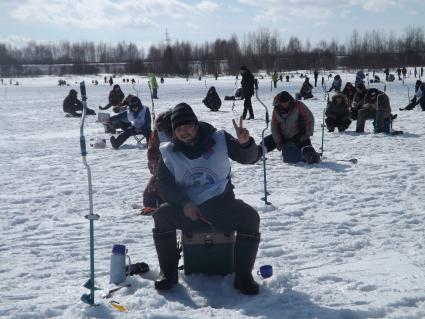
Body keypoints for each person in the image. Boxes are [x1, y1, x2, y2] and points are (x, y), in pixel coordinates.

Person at [152, 103, 261, 294]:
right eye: (179, 129)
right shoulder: (168, 152)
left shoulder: (219, 139)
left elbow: (248, 158)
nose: (184, 132)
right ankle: (168, 274)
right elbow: (164, 185)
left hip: (222, 206)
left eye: (187, 126)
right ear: (174, 133)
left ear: (196, 124)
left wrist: (245, 144)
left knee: (250, 217)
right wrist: (184, 202)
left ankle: (243, 277)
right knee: (161, 215)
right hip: (189, 211)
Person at [271, 91, 320, 164]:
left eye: (286, 102)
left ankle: (312, 156)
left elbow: (310, 118)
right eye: (283, 102)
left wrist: (307, 134)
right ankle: (257, 152)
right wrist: (278, 141)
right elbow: (274, 126)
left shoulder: (298, 105)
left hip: (298, 134)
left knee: (306, 146)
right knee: (268, 140)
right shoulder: (276, 110)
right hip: (283, 136)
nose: (285, 104)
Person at [143, 110, 173, 211]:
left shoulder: (183, 130)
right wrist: (157, 170)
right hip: (162, 167)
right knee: (149, 195)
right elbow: (151, 154)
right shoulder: (156, 134)